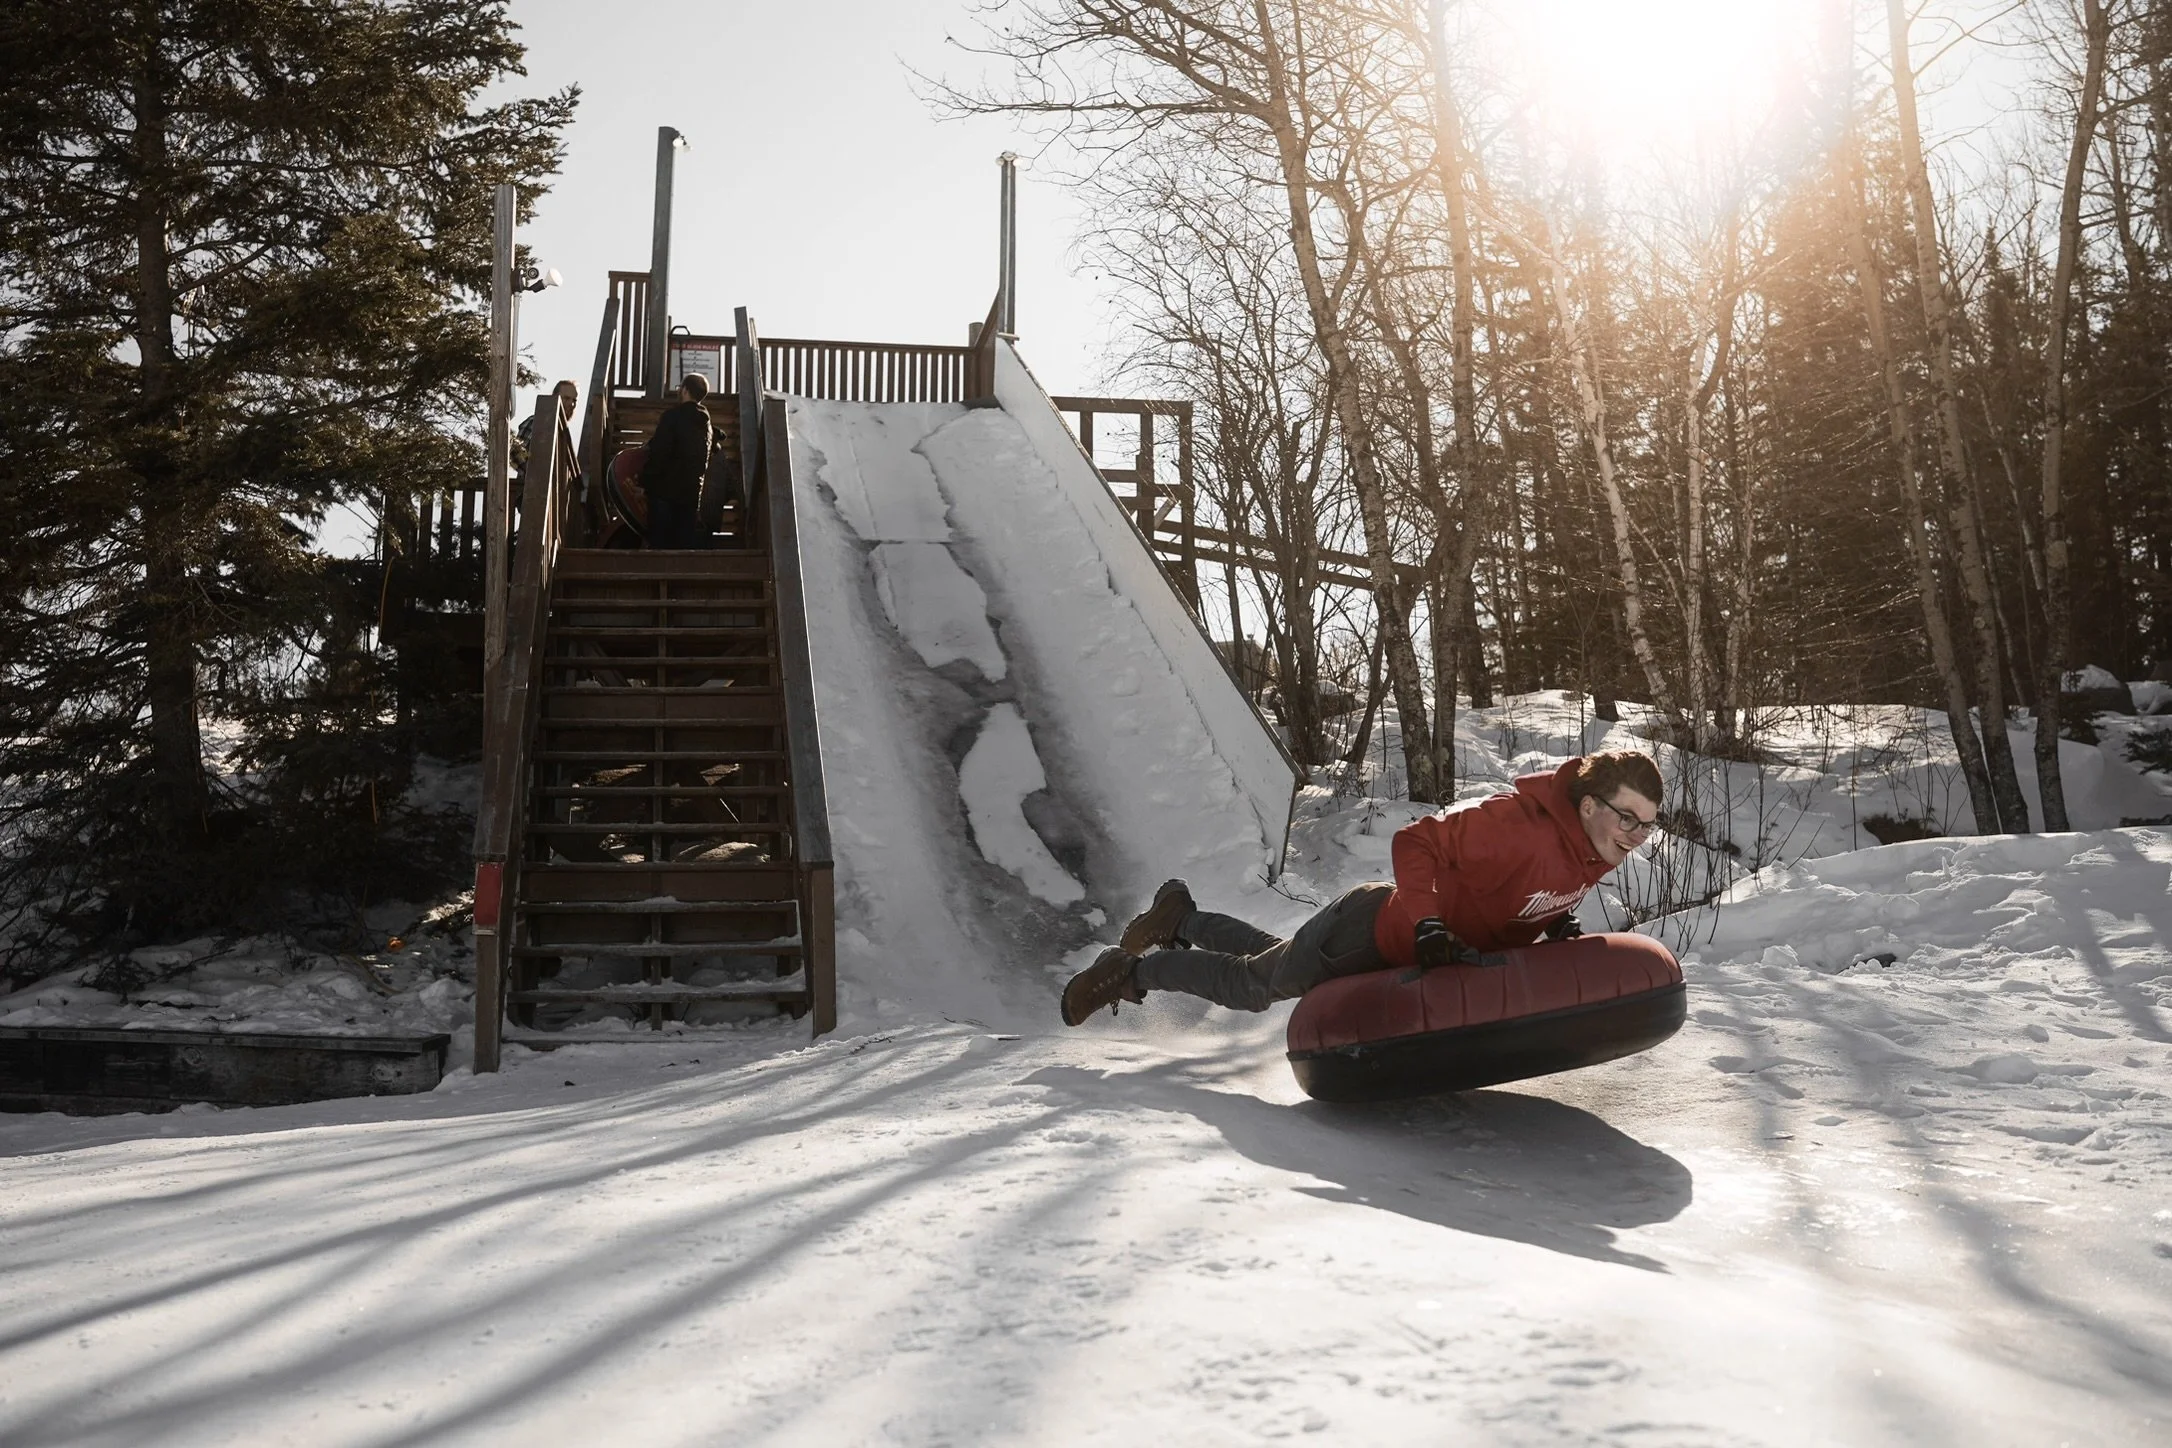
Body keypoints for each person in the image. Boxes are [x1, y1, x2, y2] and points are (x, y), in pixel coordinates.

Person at [1060, 749, 1664, 1026]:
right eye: (1628, 818)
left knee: (1273, 955)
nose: (1637, 835)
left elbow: (1508, 893)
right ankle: (1128, 972)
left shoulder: (1592, 847)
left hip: (1390, 943)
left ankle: (1179, 919)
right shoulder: (1516, 827)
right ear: (1588, 805)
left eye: (1648, 824)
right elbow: (1417, 841)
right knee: (1253, 984)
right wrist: (1429, 924)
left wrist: (1550, 921)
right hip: (1367, 934)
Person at [641, 373, 714, 549]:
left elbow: (659, 452)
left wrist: (645, 482)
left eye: (680, 387)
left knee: (660, 547)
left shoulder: (672, 417)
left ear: (685, 390)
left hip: (664, 493)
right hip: (690, 496)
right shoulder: (706, 425)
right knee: (682, 551)